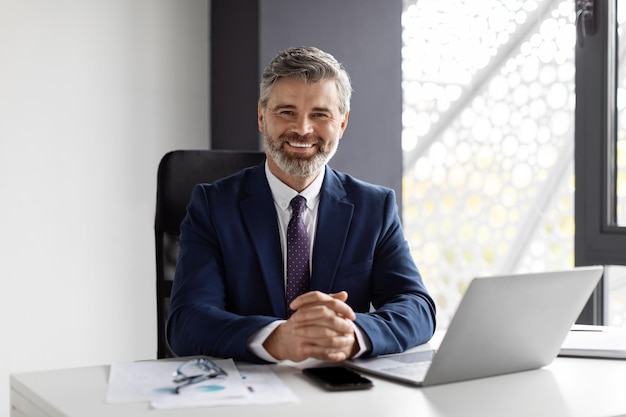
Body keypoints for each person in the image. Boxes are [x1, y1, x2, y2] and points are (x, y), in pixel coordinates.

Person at [167, 46, 436, 364]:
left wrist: (353, 334)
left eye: (320, 114)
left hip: (340, 393)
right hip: (247, 395)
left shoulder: (374, 207)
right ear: (260, 117)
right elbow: (187, 322)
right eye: (286, 112)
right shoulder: (213, 206)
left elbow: (417, 306)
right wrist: (276, 338)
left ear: (342, 123)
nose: (303, 129)